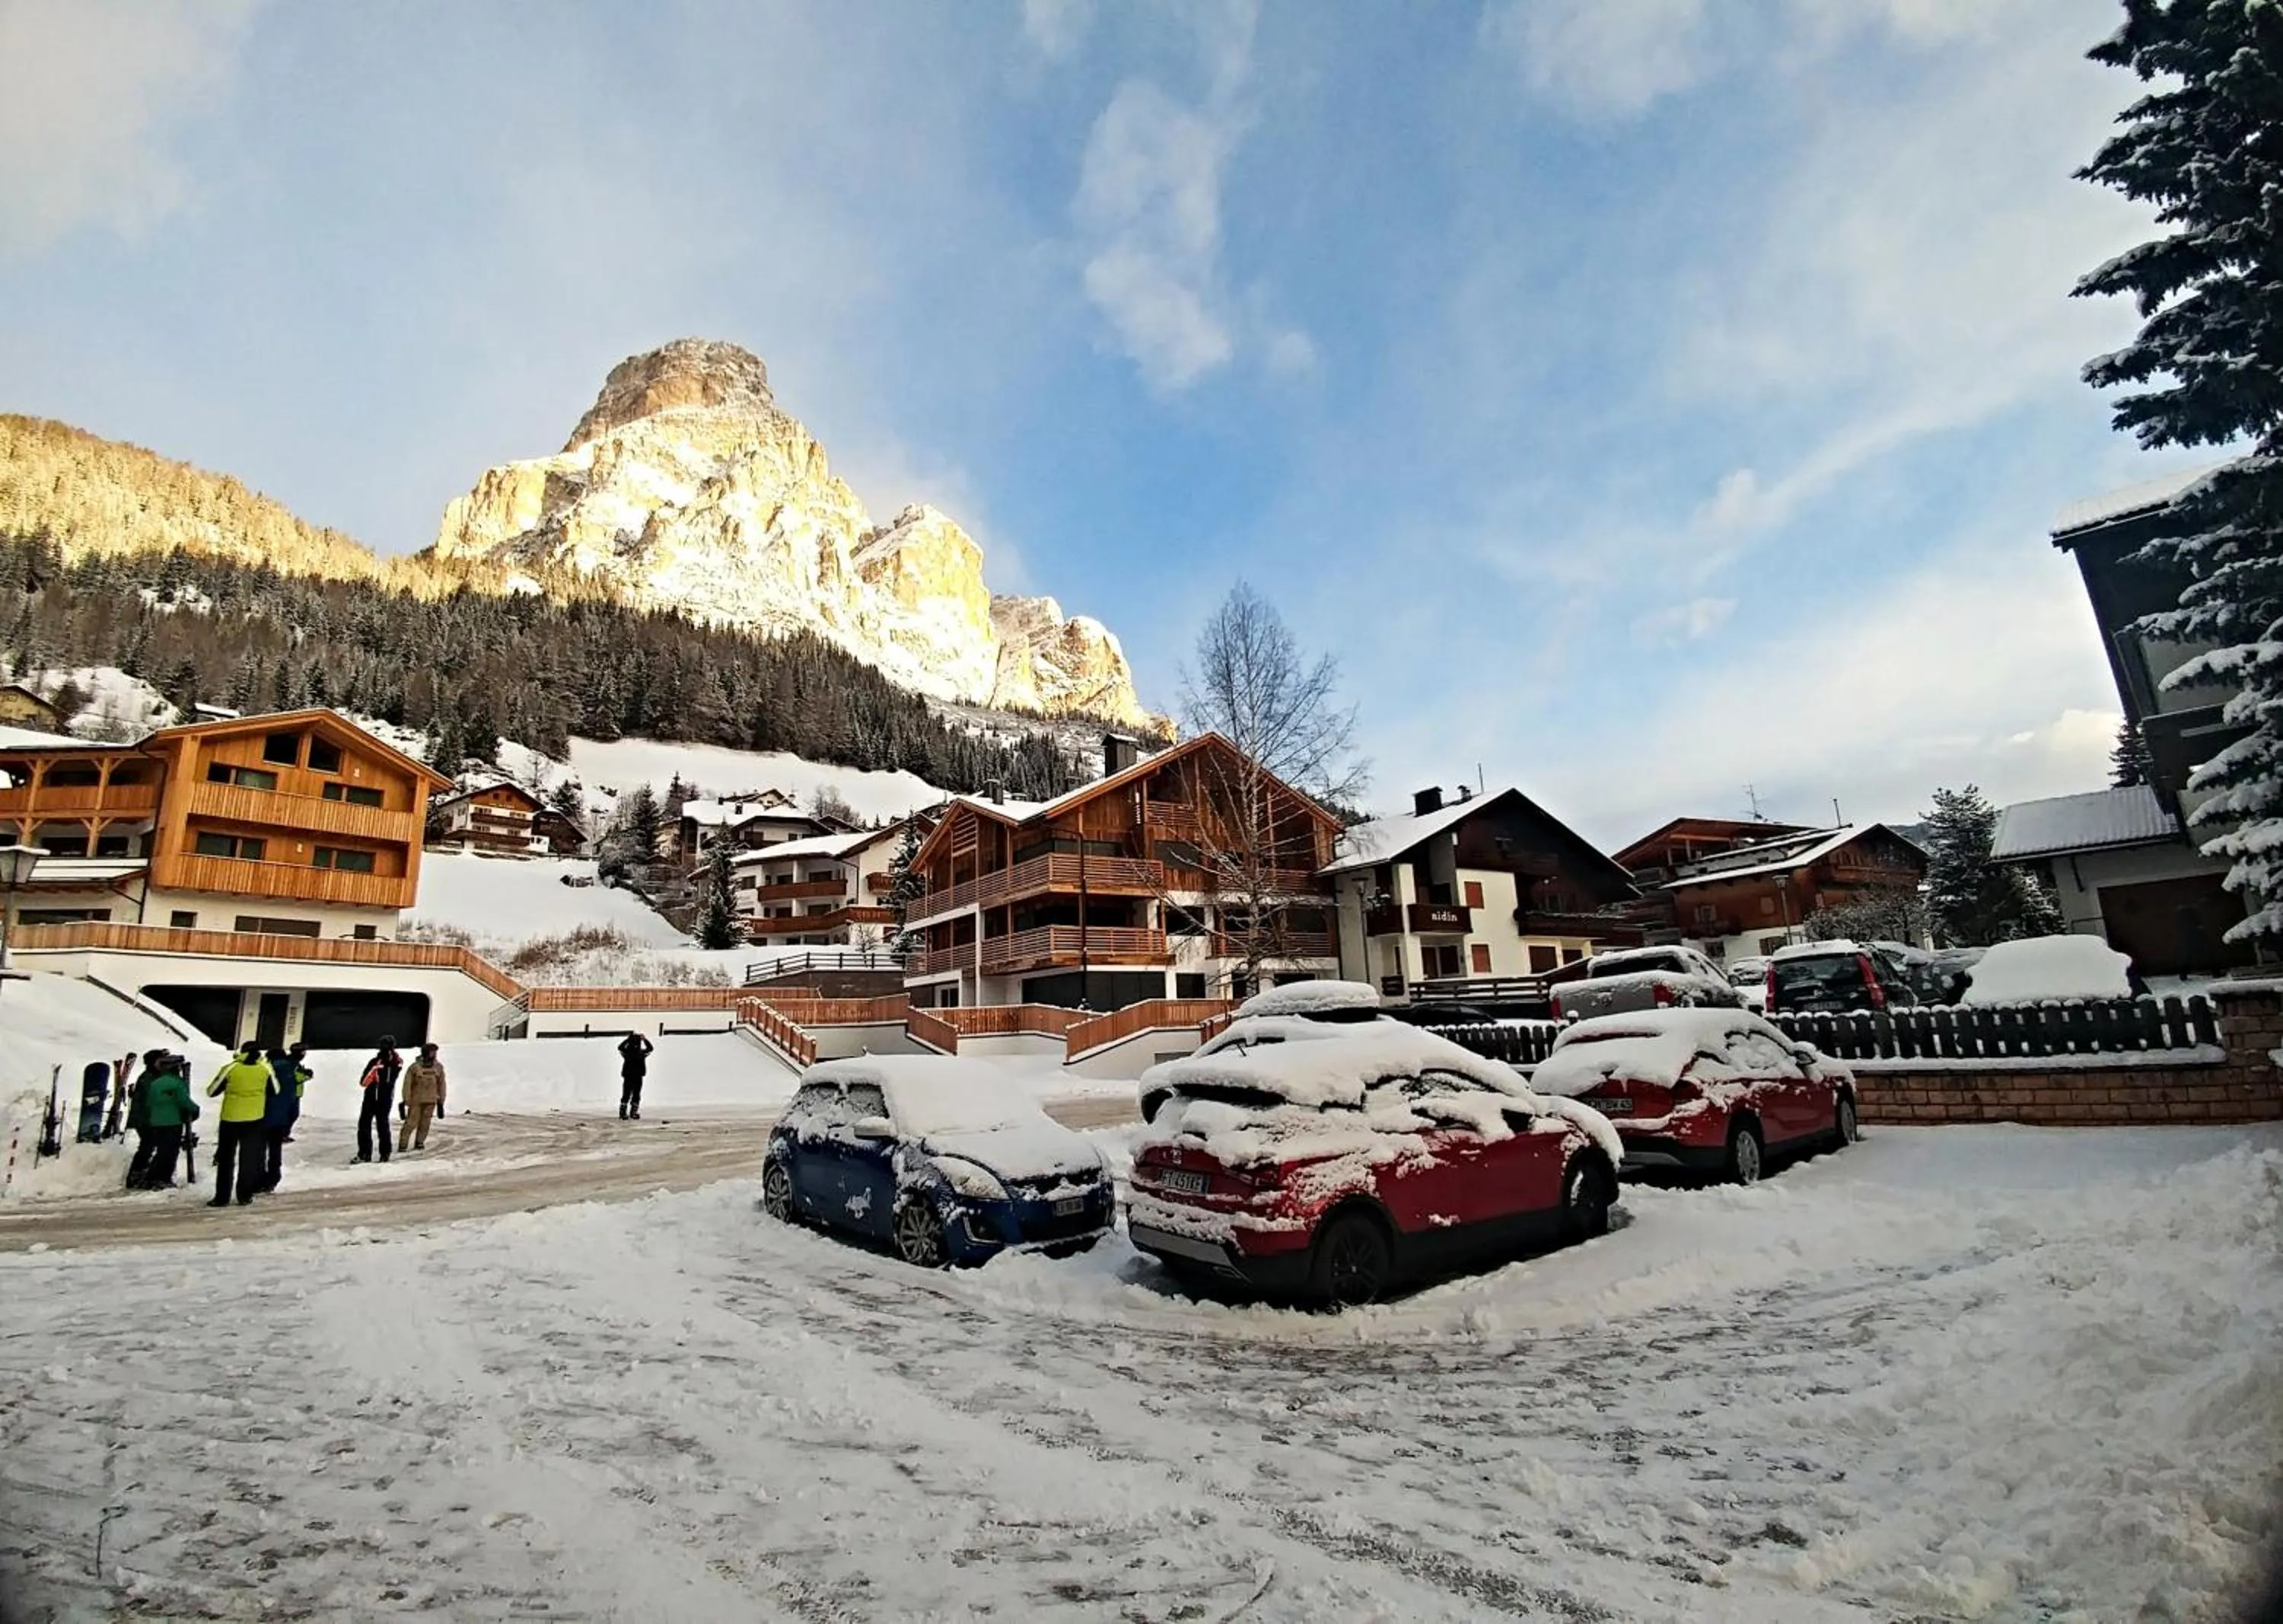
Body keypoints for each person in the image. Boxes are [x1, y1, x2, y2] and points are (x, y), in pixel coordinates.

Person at [205, 1043, 273, 1206]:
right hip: (255, 1119)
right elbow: (275, 1090)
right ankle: (244, 1195)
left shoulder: (231, 1068)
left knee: (226, 1160)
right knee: (248, 1160)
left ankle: (222, 1197)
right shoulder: (265, 1069)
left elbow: (211, 1091)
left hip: (230, 1119)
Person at [139, 1054, 197, 1189]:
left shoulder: (155, 1083)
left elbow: (149, 1102)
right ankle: (163, 1178)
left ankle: (152, 1177)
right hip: (172, 1121)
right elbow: (184, 1101)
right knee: (170, 1152)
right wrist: (195, 1110)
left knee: (161, 1151)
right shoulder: (177, 1083)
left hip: (156, 1122)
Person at [260, 1043, 306, 1192]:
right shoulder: (290, 1071)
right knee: (275, 1150)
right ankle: (273, 1178)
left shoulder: (266, 1070)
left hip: (262, 1116)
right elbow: (292, 1098)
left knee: (258, 1150)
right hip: (281, 1118)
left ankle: (258, 1177)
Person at [123, 1047, 166, 1189]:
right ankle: (137, 1174)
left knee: (149, 1145)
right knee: (148, 1145)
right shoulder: (148, 1078)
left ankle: (140, 1172)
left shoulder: (153, 1077)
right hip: (145, 1119)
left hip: (148, 1118)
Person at [355, 1037, 403, 1164]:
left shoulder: (376, 1062)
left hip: (373, 1096)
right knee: (383, 1124)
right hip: (387, 1096)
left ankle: (365, 1153)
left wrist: (375, 1070)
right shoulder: (397, 1062)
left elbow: (364, 1082)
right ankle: (385, 1153)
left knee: (365, 1125)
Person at [398, 1043, 447, 1153]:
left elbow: (442, 1085)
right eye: (431, 1052)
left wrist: (441, 1100)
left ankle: (420, 1142)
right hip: (416, 1100)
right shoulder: (415, 1067)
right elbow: (407, 1084)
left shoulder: (438, 1068)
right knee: (411, 1123)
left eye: (435, 1052)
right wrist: (407, 1098)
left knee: (425, 1123)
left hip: (431, 1100)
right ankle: (403, 1144)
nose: (434, 1054)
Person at [616, 1032, 654, 1120]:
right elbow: (650, 1048)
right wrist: (645, 1039)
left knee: (626, 1094)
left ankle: (623, 1113)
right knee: (636, 1095)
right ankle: (633, 1113)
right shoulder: (641, 1053)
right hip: (638, 1076)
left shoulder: (627, 1053)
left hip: (628, 1075)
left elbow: (620, 1047)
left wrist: (628, 1039)